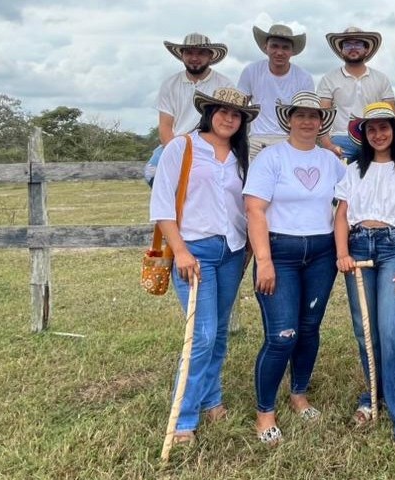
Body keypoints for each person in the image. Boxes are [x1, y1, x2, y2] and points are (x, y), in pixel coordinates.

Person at [148, 87, 258, 445]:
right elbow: (162, 202)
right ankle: (183, 418)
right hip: (194, 250)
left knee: (220, 330)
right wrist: (179, 250)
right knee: (202, 334)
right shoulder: (182, 147)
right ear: (209, 112)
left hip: (233, 250)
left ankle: (212, 399)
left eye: (236, 114)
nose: (229, 118)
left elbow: (245, 206)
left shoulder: (241, 155)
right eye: (222, 111)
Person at [242, 91, 346, 444]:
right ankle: (265, 410)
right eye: (300, 115)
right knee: (281, 335)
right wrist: (264, 261)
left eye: (314, 116)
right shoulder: (271, 158)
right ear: (289, 118)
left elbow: (345, 203)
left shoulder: (331, 160)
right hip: (280, 251)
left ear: (322, 122)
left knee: (309, 327)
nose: (307, 121)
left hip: (321, 250)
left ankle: (299, 393)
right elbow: (254, 209)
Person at [333, 102, 395, 445]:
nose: (378, 134)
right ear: (364, 134)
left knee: (391, 330)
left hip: (392, 247)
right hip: (357, 246)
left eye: (384, 127)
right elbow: (342, 213)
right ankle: (372, 397)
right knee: (366, 331)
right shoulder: (353, 168)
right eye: (371, 129)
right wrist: (342, 252)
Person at [144, 33, 234, 186]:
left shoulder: (224, 85)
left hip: (210, 146)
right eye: (189, 53)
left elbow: (227, 125)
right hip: (178, 143)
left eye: (201, 53)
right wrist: (177, 153)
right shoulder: (170, 84)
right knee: (151, 172)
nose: (194, 58)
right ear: (182, 55)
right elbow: (165, 126)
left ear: (210, 56)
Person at [318, 27, 395, 162]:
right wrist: (329, 146)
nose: (353, 48)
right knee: (334, 176)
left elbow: (391, 115)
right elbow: (322, 117)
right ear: (341, 50)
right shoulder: (329, 78)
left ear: (366, 49)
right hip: (341, 137)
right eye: (347, 44)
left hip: (373, 136)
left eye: (358, 44)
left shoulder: (381, 78)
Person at [238, 24, 315, 161]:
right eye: (274, 46)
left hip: (290, 138)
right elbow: (240, 106)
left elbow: (307, 114)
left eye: (285, 47)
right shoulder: (251, 71)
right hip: (257, 139)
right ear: (265, 48)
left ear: (292, 51)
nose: (279, 52)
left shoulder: (304, 77)